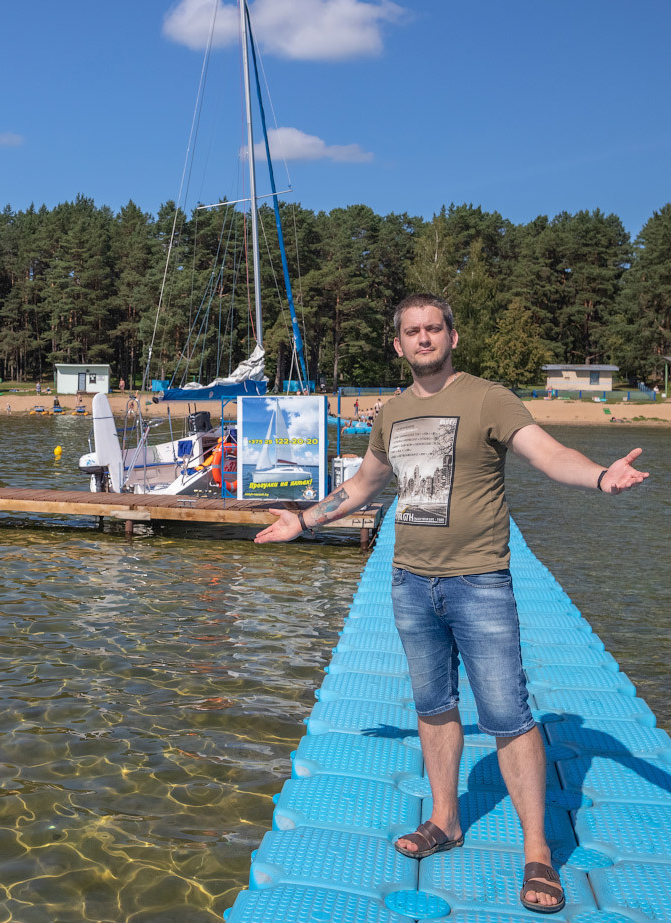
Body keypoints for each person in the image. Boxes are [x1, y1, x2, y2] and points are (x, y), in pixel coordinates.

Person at [257, 293, 649, 915]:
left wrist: (601, 475)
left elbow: (547, 455)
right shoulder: (391, 411)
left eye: (433, 328)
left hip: (479, 582)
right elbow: (364, 484)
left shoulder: (488, 398)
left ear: (452, 337)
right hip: (411, 580)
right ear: (397, 344)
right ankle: (445, 820)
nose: (423, 339)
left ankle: (539, 853)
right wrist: (304, 520)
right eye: (411, 331)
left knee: (508, 714)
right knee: (434, 705)